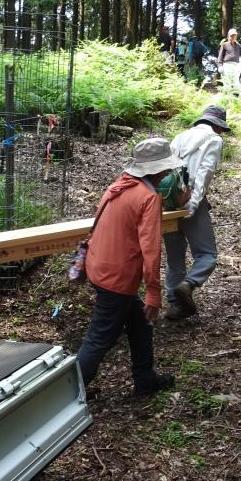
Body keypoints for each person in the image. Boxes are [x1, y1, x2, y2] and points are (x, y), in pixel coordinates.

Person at [75, 138, 180, 397]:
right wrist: (153, 292)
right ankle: (68, 393)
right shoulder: (148, 197)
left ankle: (145, 380)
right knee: (100, 338)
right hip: (117, 278)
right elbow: (151, 250)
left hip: (99, 267)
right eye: (165, 169)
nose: (168, 173)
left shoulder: (119, 186)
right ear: (157, 170)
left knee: (140, 324)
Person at [163, 105, 230, 321]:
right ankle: (189, 284)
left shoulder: (180, 136)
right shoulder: (214, 140)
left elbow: (166, 169)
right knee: (207, 254)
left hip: (169, 203)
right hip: (191, 202)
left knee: (175, 260)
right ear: (218, 126)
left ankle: (175, 305)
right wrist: (194, 202)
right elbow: (205, 173)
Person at [216, 28, 241, 95]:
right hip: (227, 65)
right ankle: (226, 99)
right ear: (228, 36)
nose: (233, 37)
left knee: (236, 83)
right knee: (227, 83)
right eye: (231, 35)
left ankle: (235, 100)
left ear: (236, 36)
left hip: (236, 66)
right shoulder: (224, 45)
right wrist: (220, 66)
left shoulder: (238, 46)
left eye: (234, 35)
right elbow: (220, 56)